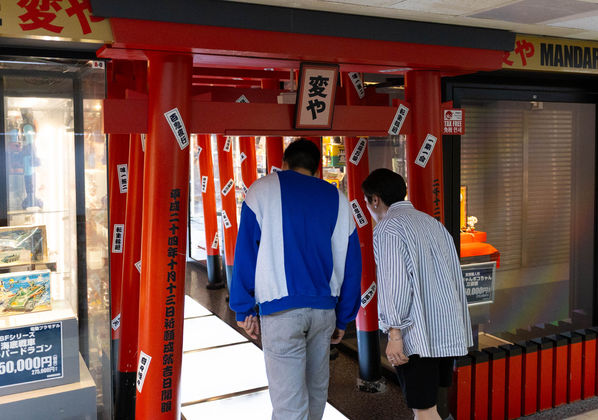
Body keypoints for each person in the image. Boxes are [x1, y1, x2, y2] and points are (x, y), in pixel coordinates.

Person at [230, 138, 362, 420]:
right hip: (324, 313)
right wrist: (344, 318)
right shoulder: (338, 200)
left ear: (285, 164)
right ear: (317, 171)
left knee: (289, 404)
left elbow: (245, 254)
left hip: (280, 312)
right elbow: (352, 264)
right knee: (316, 394)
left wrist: (243, 308)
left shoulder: (261, 191)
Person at [362, 168, 472, 420]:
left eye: (368, 202)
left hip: (417, 334)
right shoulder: (432, 223)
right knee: (429, 406)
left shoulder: (387, 228)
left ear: (375, 199)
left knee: (424, 410)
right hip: (446, 328)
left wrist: (394, 332)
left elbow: (395, 284)